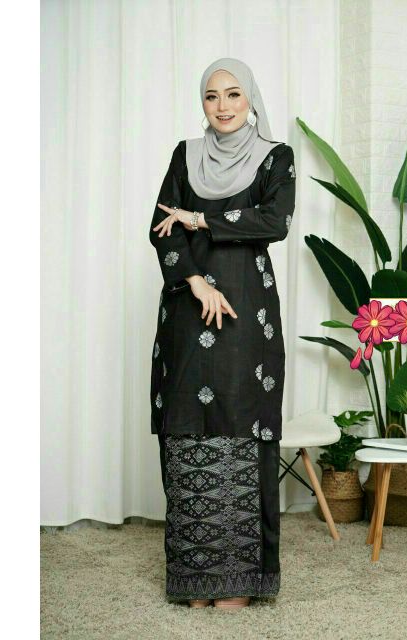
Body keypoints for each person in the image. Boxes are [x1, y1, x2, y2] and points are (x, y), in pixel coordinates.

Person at [149, 57, 296, 610]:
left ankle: (239, 581)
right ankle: (195, 576)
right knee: (188, 426)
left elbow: (273, 221)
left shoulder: (275, 157)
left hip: (247, 311)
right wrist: (194, 281)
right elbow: (159, 227)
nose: (223, 106)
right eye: (212, 96)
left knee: (240, 421)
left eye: (233, 94)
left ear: (250, 98)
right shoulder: (185, 155)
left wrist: (199, 219)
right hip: (189, 310)